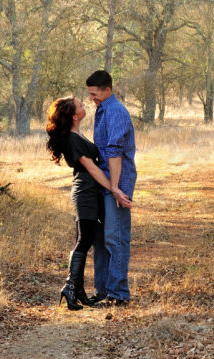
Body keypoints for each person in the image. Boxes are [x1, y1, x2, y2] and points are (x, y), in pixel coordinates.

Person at [46, 97, 132, 311]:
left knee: (89, 239)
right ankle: (69, 287)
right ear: (74, 116)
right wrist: (114, 188)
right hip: (85, 192)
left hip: (91, 192)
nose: (85, 106)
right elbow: (92, 170)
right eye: (80, 106)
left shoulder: (77, 134)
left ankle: (80, 291)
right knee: (84, 240)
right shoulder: (72, 140)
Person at [86, 70, 137, 307]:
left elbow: (115, 152)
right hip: (106, 183)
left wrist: (115, 188)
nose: (91, 99)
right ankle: (104, 291)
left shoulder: (115, 112)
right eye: (89, 94)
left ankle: (118, 294)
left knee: (115, 239)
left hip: (116, 184)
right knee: (103, 240)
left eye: (94, 94)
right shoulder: (103, 109)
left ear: (108, 90)